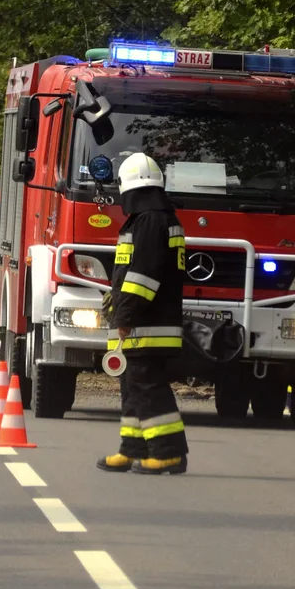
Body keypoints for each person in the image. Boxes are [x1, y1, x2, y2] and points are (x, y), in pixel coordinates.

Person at [97, 153, 188, 475]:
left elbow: (142, 275)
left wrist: (125, 316)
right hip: (148, 321)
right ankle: (132, 449)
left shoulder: (150, 221)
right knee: (134, 387)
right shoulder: (157, 218)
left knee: (148, 388)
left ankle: (167, 453)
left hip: (148, 323)